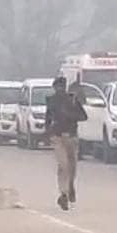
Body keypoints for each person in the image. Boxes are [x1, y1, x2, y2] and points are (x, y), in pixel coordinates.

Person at [44, 76, 87, 211]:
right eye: (57, 87)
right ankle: (63, 193)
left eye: (61, 87)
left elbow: (83, 116)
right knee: (63, 165)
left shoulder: (72, 100)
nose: (60, 89)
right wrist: (47, 133)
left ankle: (70, 187)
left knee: (72, 167)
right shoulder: (51, 101)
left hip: (71, 137)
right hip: (58, 137)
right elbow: (48, 118)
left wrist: (69, 115)